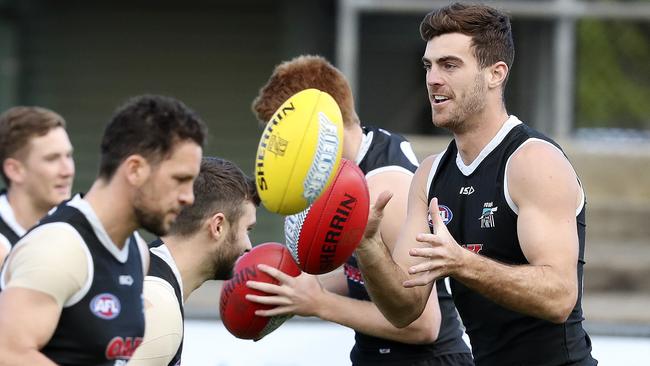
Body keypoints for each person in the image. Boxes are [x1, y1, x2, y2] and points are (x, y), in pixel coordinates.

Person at [354, 3, 597, 365]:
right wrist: (368, 245)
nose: (433, 78)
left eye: (449, 65)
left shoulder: (532, 161)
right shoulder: (430, 174)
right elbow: (405, 309)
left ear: (495, 73)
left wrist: (462, 263)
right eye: (429, 66)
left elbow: (559, 297)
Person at [246, 55, 473, 366]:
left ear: (324, 122)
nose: (280, 156)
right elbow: (362, 274)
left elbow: (423, 325)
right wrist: (295, 291)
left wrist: (319, 303)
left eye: (286, 140)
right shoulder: (356, 164)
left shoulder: (385, 186)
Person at [0, 94, 207, 365]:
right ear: (134, 170)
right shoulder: (58, 249)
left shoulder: (137, 251)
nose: (188, 197)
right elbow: (8, 353)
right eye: (179, 179)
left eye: (69, 156)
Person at [128, 156, 259, 366]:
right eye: (247, 229)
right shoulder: (160, 308)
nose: (249, 246)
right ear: (218, 226)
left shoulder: (150, 276)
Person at [0, 106, 75, 264]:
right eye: (52, 158)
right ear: (14, 170)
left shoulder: (77, 229)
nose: (67, 170)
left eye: (68, 156)